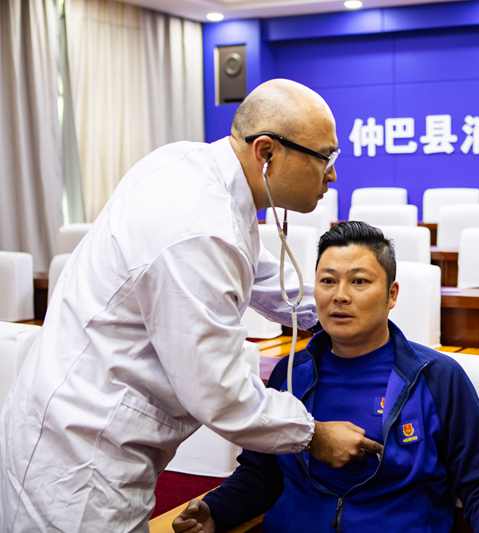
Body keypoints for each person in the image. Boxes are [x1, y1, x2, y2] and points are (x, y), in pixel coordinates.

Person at [0, 79, 382, 532]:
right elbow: (220, 393)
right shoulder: (199, 226)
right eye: (325, 158)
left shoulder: (193, 171)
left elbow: (260, 276)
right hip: (83, 457)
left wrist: (342, 311)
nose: (332, 175)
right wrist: (313, 435)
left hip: (80, 423)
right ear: (267, 152)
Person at [172, 222, 479, 533]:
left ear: (392, 295)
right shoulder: (290, 374)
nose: (340, 295)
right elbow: (261, 475)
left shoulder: (436, 377)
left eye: (359, 281)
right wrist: (215, 511)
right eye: (327, 281)